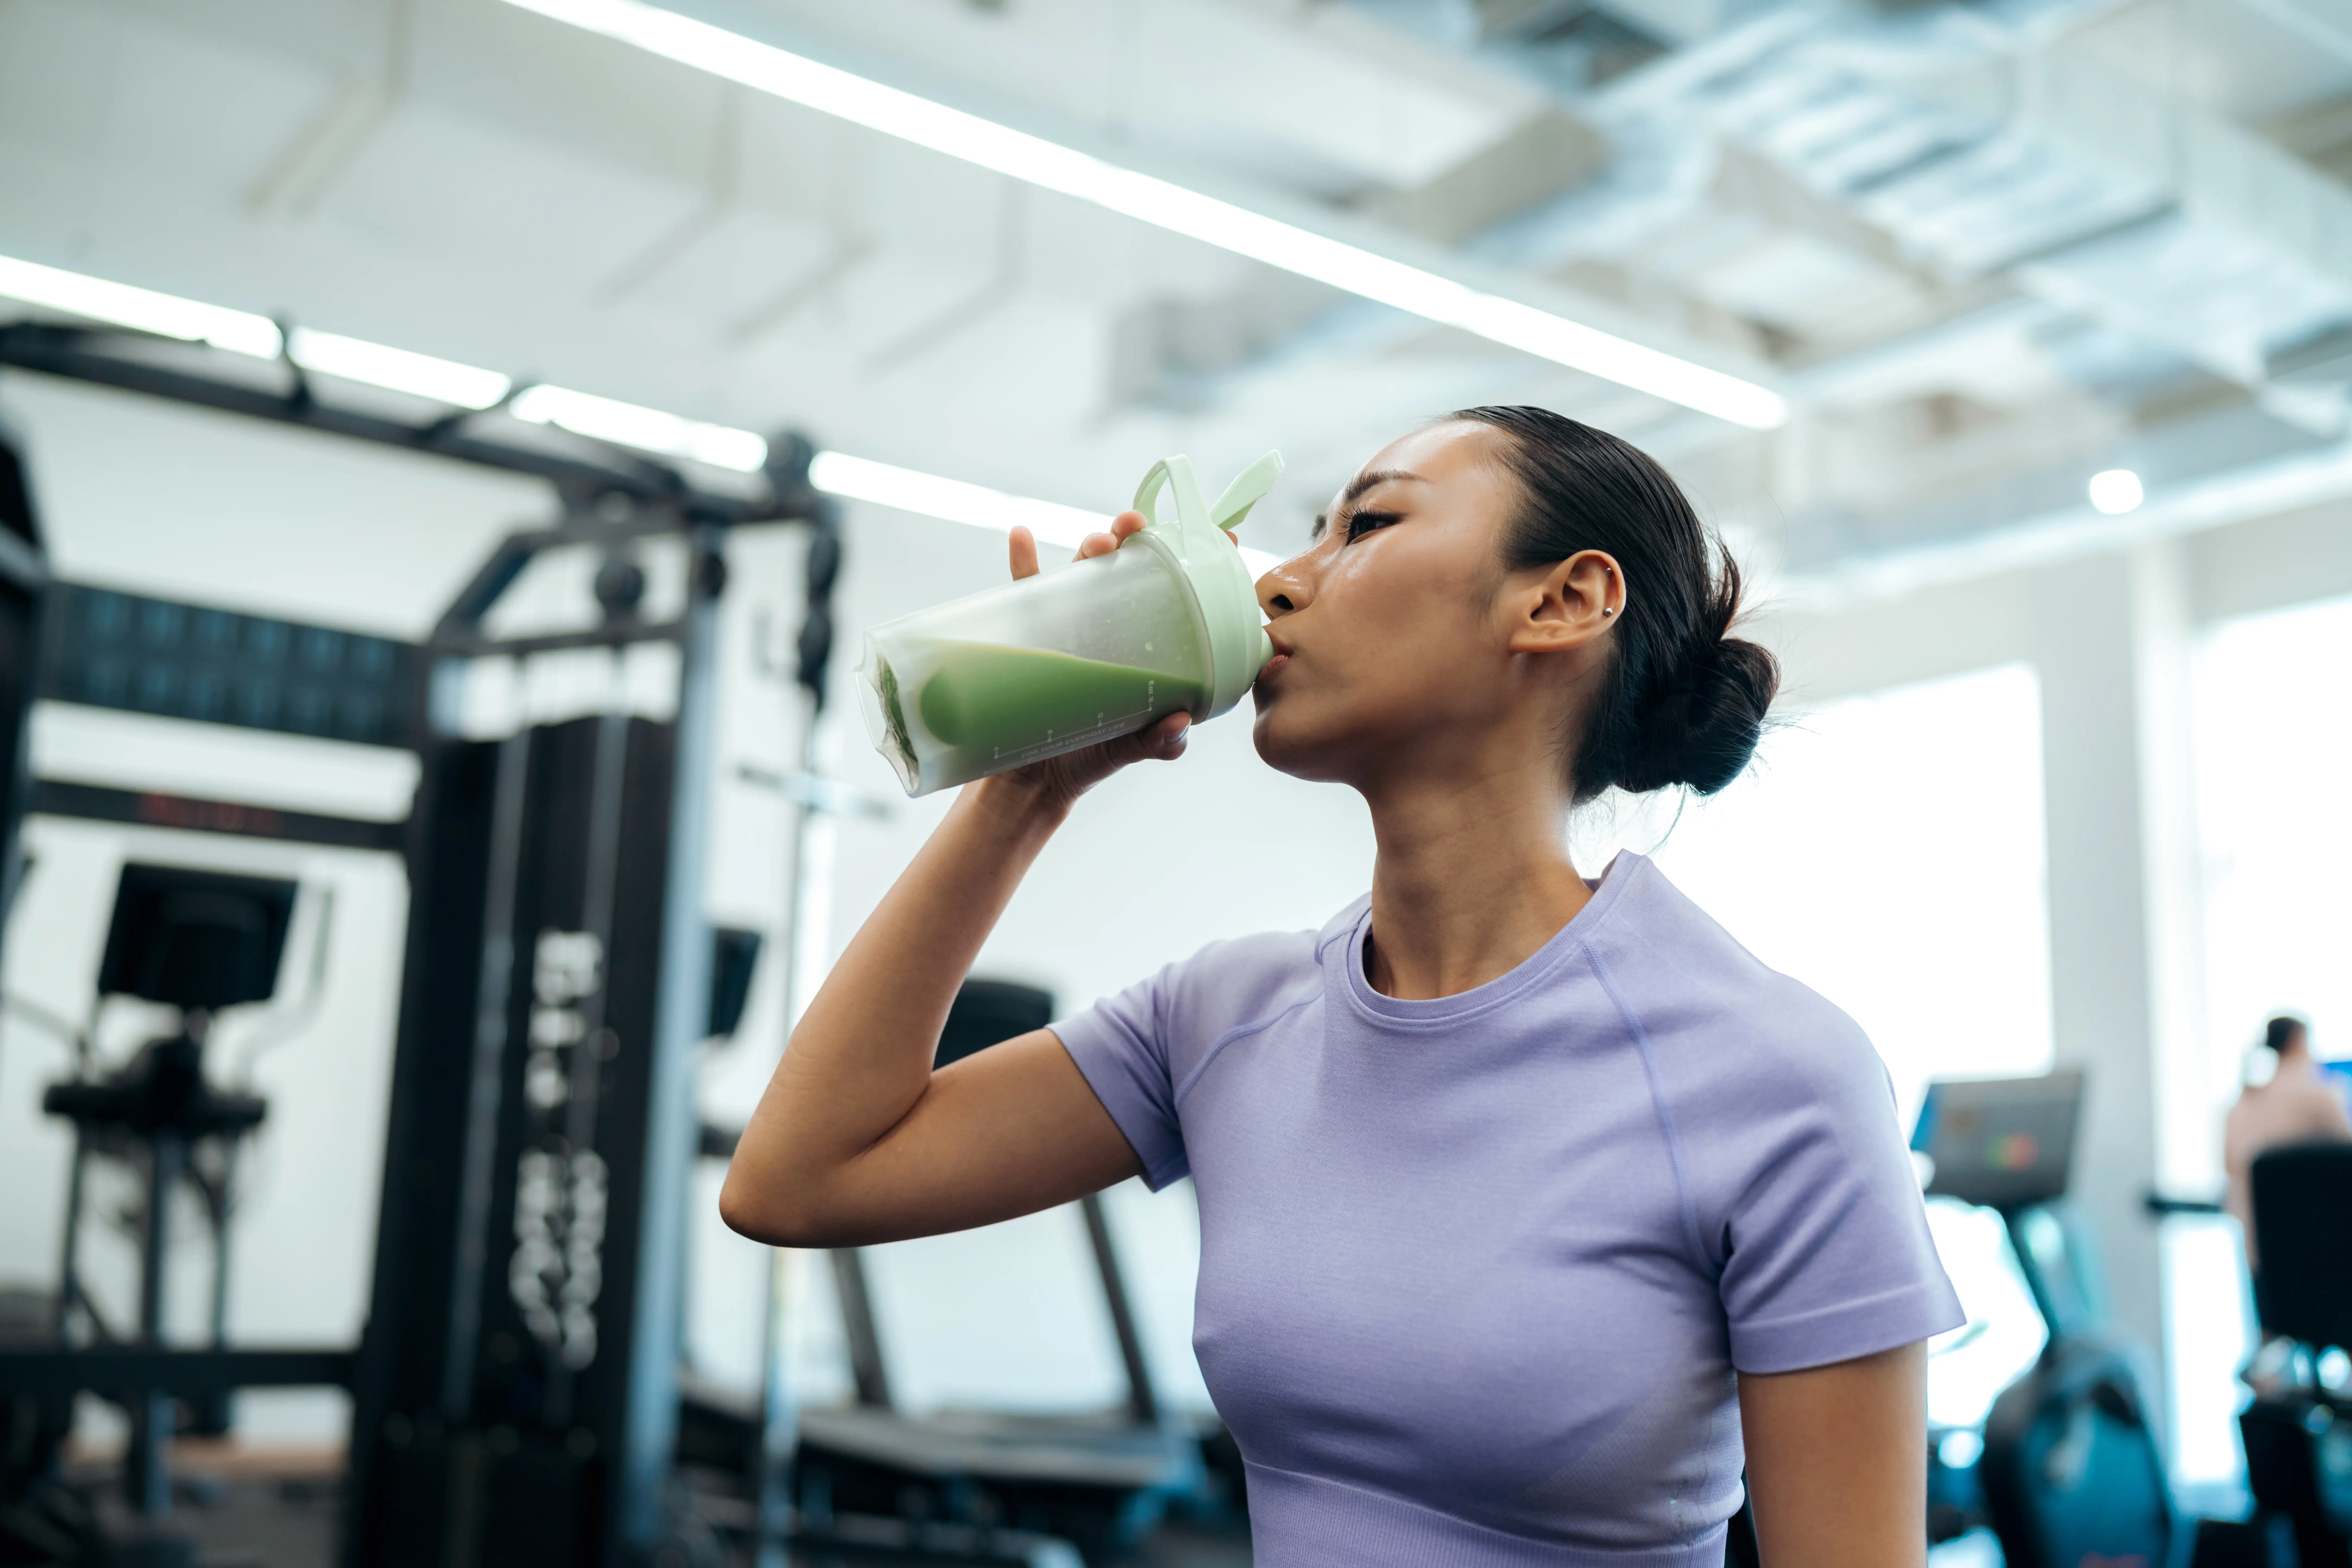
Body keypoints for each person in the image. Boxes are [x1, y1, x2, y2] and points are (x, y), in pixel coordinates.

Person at [722, 407, 1963, 1567]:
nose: (1277, 581)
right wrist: (1024, 787)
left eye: (1365, 526)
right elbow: (797, 1178)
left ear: (1563, 599)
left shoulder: (1771, 1076)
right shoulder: (1223, 1016)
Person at [2225, 1014, 2352, 1267]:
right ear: (2298, 1042)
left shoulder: (2242, 1104)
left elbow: (2230, 1167)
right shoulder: (2322, 1094)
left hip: (2261, 1247)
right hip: (2325, 1244)